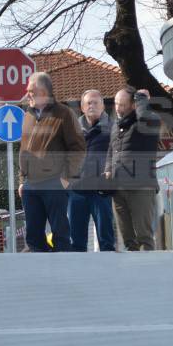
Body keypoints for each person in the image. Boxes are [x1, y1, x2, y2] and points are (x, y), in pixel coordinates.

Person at [18, 71, 85, 252]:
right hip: (31, 186)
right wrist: (22, 180)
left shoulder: (64, 114)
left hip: (54, 184)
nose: (27, 93)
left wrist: (65, 179)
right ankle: (40, 277)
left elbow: (78, 149)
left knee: (60, 234)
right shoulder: (28, 115)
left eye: (30, 89)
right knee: (33, 237)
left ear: (43, 90)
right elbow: (23, 150)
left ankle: (64, 276)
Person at [106, 86, 163, 251]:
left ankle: (148, 273)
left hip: (141, 187)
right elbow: (111, 151)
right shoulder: (116, 126)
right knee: (128, 239)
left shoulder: (148, 121)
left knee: (143, 237)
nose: (118, 108)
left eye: (122, 104)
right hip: (118, 187)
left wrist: (142, 100)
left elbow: (144, 116)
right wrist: (108, 169)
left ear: (133, 105)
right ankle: (132, 274)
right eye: (116, 104)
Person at [68, 89, 117, 252]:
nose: (92, 106)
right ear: (82, 107)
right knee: (77, 242)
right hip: (76, 191)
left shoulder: (113, 129)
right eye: (88, 103)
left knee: (106, 241)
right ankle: (79, 276)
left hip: (101, 190)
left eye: (96, 103)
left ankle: (108, 274)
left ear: (103, 106)